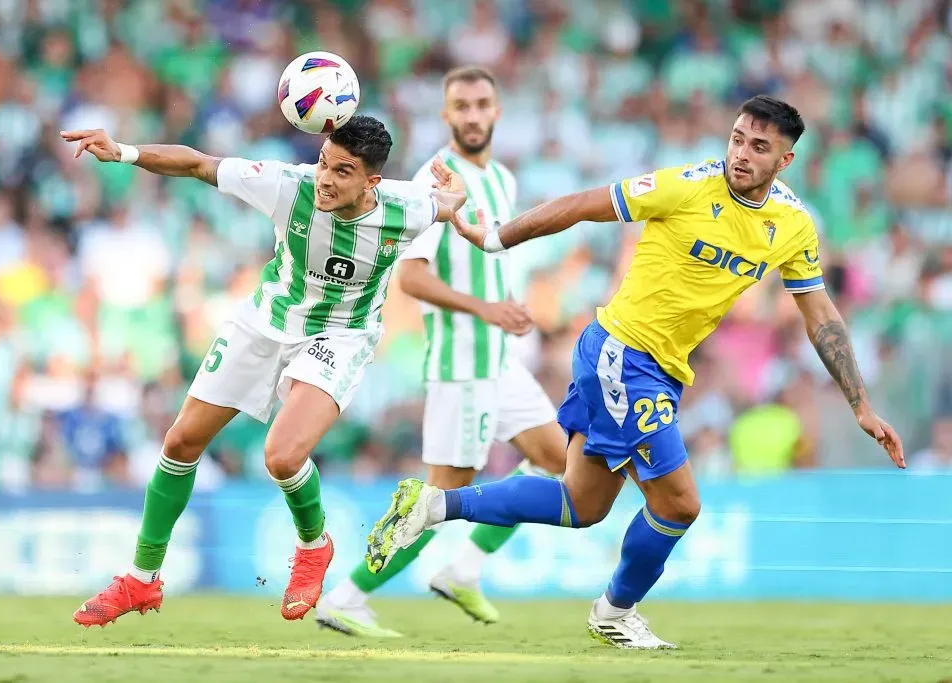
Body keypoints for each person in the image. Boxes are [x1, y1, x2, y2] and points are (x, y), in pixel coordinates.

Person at [363, 96, 905, 649]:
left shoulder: (792, 225)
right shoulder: (686, 186)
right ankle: (616, 612)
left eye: (759, 147)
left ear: (784, 161)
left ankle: (433, 504)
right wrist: (498, 237)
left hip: (656, 368)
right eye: (737, 138)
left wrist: (860, 403)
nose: (741, 153)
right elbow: (581, 204)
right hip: (623, 354)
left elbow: (822, 316)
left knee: (581, 505)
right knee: (679, 503)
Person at [61, 115, 467, 626]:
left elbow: (449, 203)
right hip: (264, 321)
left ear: (372, 183)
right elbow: (196, 163)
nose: (325, 178)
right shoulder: (285, 185)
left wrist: (459, 192)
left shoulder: (406, 209)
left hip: (339, 336)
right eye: (323, 162)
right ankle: (141, 581)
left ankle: (313, 547)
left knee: (281, 455)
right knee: (181, 442)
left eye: (343, 171)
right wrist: (121, 150)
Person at [317, 67, 566, 638]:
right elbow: (412, 277)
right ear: (446, 115)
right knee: (441, 497)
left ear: (497, 111)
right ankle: (347, 596)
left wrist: (502, 304)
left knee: (562, 462)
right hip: (461, 366)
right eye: (462, 106)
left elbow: (483, 262)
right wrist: (486, 310)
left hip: (497, 361)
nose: (473, 115)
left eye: (482, 104)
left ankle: (464, 568)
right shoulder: (438, 179)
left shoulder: (500, 178)